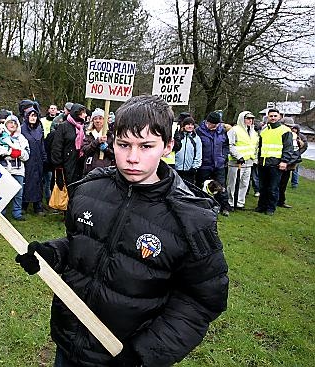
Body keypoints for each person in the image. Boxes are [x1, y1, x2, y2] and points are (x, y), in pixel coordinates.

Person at [15, 95, 229, 367]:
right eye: (123, 144)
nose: (132, 158)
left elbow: (201, 301)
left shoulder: (192, 218)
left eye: (146, 146)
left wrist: (145, 353)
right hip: (68, 341)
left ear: (168, 146)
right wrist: (52, 254)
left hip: (126, 356)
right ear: (112, 141)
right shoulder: (88, 190)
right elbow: (82, 243)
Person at [255, 109, 294, 215]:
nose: (272, 118)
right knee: (263, 187)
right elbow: (260, 147)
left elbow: (288, 147)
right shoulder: (264, 131)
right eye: (271, 116)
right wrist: (258, 159)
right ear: (267, 117)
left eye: (275, 116)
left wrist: (284, 161)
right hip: (263, 163)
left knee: (273, 187)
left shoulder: (285, 130)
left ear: (279, 117)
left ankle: (270, 208)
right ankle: (261, 206)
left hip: (276, 163)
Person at [0, 114, 30, 221]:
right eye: (10, 122)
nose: (12, 125)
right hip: (4, 169)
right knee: (3, 192)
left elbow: (26, 155)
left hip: (18, 170)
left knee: (18, 193)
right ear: (6, 124)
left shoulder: (22, 139)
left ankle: (17, 212)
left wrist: (19, 154)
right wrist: (10, 152)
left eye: (14, 123)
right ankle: (2, 213)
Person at [196, 111, 232, 216]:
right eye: (213, 124)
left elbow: (226, 145)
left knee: (221, 186)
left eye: (217, 124)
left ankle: (224, 207)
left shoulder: (222, 131)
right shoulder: (199, 131)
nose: (215, 126)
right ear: (207, 122)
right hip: (204, 164)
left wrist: (223, 157)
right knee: (201, 187)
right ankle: (202, 206)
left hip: (219, 164)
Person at [51, 103, 87, 195]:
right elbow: (56, 146)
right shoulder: (64, 126)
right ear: (77, 113)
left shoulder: (83, 128)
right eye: (83, 113)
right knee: (66, 187)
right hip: (66, 163)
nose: (85, 115)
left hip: (78, 162)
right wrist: (58, 165)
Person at [226, 111, 259, 210]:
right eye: (248, 118)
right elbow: (230, 145)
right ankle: (231, 202)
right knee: (233, 184)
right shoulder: (234, 130)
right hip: (236, 162)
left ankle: (240, 202)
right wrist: (238, 156)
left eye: (251, 119)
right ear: (242, 119)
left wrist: (255, 159)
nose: (250, 120)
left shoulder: (254, 132)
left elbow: (255, 147)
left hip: (248, 162)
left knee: (244, 184)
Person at [21, 107, 47, 215]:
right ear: (27, 117)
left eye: (35, 116)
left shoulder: (39, 129)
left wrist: (44, 156)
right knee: (27, 182)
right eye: (31, 115)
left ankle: (38, 206)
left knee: (38, 182)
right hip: (27, 160)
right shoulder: (22, 129)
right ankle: (24, 205)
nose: (33, 118)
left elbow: (42, 144)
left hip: (38, 160)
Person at [277, 123, 307, 208]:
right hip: (280, 162)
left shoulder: (297, 137)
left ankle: (281, 201)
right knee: (276, 183)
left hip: (288, 164)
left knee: (283, 183)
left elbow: (299, 149)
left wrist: (289, 162)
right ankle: (274, 200)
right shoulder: (283, 134)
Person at [81, 108, 114, 175]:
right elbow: (85, 150)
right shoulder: (88, 135)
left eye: (100, 118)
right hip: (90, 169)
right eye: (95, 118)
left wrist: (106, 149)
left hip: (105, 170)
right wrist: (97, 141)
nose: (98, 121)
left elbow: (114, 155)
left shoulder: (110, 135)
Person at [174, 116, 202, 184]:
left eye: (192, 124)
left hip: (189, 171)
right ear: (183, 125)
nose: (190, 126)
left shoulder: (196, 138)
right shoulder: (178, 137)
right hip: (176, 169)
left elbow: (199, 154)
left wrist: (194, 168)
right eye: (188, 124)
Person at [290, 124, 308, 188]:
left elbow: (305, 146)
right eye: (293, 128)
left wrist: (299, 153)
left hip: (296, 156)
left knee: (295, 170)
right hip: (289, 155)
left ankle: (294, 184)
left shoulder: (301, 137)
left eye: (295, 128)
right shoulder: (289, 135)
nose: (293, 130)